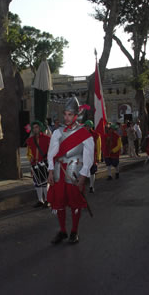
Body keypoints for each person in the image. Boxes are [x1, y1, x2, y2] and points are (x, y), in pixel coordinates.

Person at [47, 97, 94, 245]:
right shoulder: (57, 132)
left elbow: (89, 156)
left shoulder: (84, 134)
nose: (66, 117)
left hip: (75, 170)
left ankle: (74, 231)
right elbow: (51, 153)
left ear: (76, 115)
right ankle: (62, 231)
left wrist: (83, 175)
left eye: (69, 114)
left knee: (75, 202)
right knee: (59, 201)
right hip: (59, 170)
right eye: (65, 114)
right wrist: (50, 170)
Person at [26, 121, 51, 207]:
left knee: (45, 182)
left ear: (40, 128)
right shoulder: (29, 140)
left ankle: (47, 200)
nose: (35, 129)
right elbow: (28, 153)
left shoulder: (47, 139)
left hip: (44, 163)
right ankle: (40, 200)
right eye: (34, 127)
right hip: (34, 164)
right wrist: (30, 158)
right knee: (37, 183)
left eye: (37, 127)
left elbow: (51, 152)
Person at [84, 120, 101, 193]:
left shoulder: (96, 135)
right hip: (83, 156)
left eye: (88, 126)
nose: (87, 127)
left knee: (92, 172)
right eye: (86, 126)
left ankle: (91, 186)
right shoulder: (81, 134)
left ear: (91, 127)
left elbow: (98, 147)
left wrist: (98, 158)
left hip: (92, 156)